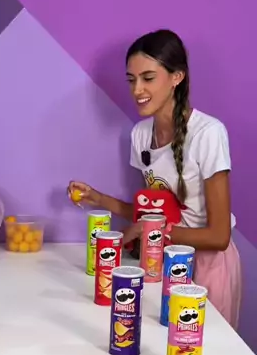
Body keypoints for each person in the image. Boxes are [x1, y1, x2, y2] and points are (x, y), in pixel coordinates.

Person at [68, 29, 241, 328]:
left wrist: (149, 232)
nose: (137, 90)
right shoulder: (140, 135)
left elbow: (219, 236)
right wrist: (98, 198)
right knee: (164, 342)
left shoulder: (208, 133)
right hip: (162, 258)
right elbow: (150, 214)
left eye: (148, 78)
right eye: (131, 80)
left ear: (177, 77)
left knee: (200, 347)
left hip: (209, 264)